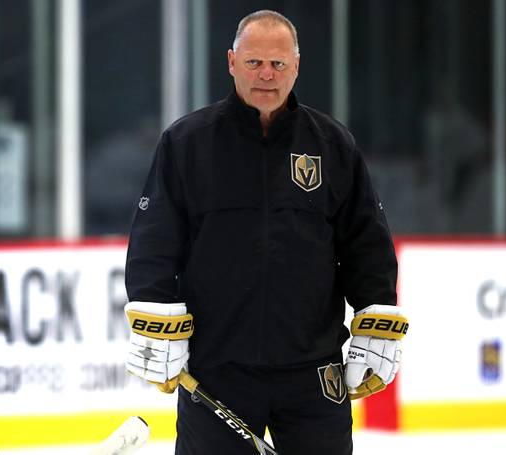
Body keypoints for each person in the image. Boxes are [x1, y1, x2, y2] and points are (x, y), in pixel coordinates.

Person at [124, 10, 407, 455]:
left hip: (314, 374)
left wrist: (377, 321)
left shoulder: (333, 145)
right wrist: (157, 321)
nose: (266, 75)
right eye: (254, 62)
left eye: (278, 64)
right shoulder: (187, 143)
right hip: (217, 373)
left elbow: (366, 246)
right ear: (232, 62)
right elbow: (153, 245)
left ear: (297, 65)